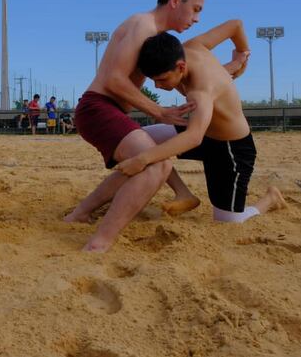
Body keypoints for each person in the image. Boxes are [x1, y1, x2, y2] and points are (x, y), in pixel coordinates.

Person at [65, 0, 206, 252]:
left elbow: (181, 74)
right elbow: (114, 80)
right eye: (196, 9)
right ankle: (99, 242)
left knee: (146, 158)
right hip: (97, 108)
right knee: (155, 164)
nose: (197, 18)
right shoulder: (143, 25)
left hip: (108, 110)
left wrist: (231, 69)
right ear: (175, 0)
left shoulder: (157, 36)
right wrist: (158, 112)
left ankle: (80, 213)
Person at [114, 21, 286, 227]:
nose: (157, 86)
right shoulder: (192, 46)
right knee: (138, 139)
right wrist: (241, 54)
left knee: (228, 221)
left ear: (180, 67)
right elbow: (235, 25)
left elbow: (193, 137)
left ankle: (270, 200)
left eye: (161, 79)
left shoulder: (200, 91)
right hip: (204, 133)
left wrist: (142, 160)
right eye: (153, 80)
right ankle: (184, 194)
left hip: (231, 150)